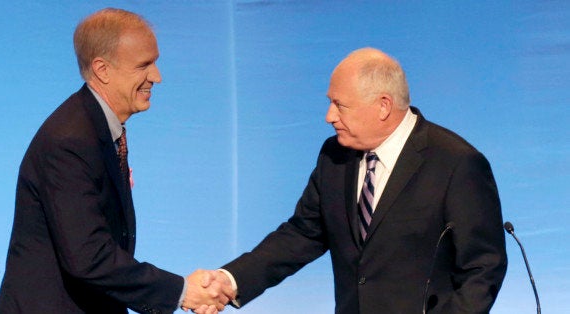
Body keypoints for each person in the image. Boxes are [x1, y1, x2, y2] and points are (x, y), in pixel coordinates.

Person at [211, 47, 508, 313]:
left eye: (340, 105)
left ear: (383, 106)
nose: (329, 116)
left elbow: (483, 268)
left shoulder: (455, 163)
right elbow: (303, 234)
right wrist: (230, 280)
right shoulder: (334, 156)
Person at [0, 8, 232, 314]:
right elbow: (89, 256)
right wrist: (182, 292)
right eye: (143, 65)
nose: (157, 77)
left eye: (155, 62)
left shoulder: (99, 128)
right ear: (102, 69)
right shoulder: (69, 141)